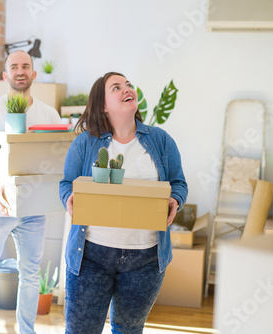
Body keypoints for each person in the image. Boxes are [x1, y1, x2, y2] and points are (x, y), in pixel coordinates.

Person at [59, 72, 188, 334]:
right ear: (103, 105)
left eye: (127, 84)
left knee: (128, 329)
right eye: (116, 87)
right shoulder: (85, 143)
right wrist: (69, 198)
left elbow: (179, 183)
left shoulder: (160, 141)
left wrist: (176, 199)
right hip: (91, 256)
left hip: (145, 260)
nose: (126, 89)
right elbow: (66, 184)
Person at [0, 50, 62, 334]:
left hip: (33, 209)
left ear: (33, 74)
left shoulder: (48, 114)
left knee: (30, 274)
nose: (20, 71)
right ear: (5, 76)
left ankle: (26, 331)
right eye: (14, 66)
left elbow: (55, 160)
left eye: (25, 66)